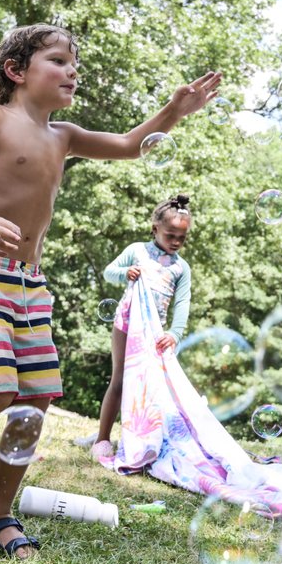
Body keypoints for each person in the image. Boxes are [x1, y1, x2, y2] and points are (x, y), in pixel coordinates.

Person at [0, 23, 221, 559]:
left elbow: (129, 145)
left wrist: (174, 111)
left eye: (73, 63)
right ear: (17, 70)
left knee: (34, 396)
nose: (71, 71)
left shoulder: (65, 136)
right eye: (58, 60)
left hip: (29, 282)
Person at [90, 194, 194, 461]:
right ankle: (102, 438)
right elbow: (108, 272)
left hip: (155, 333)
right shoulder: (137, 251)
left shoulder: (181, 267)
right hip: (126, 324)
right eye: (171, 235)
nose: (176, 242)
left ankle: (139, 438)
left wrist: (174, 333)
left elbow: (182, 302)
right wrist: (125, 273)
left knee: (150, 389)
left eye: (182, 237)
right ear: (155, 229)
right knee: (120, 380)